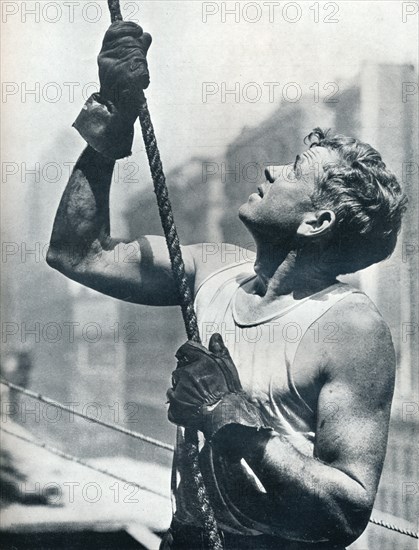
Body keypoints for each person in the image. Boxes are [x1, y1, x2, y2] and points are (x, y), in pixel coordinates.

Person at [47, 21, 407, 550]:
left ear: (317, 222)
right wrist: (113, 113)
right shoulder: (214, 270)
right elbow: (78, 253)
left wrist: (229, 420)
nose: (270, 168)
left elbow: (346, 509)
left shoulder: (349, 327)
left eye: (295, 169)